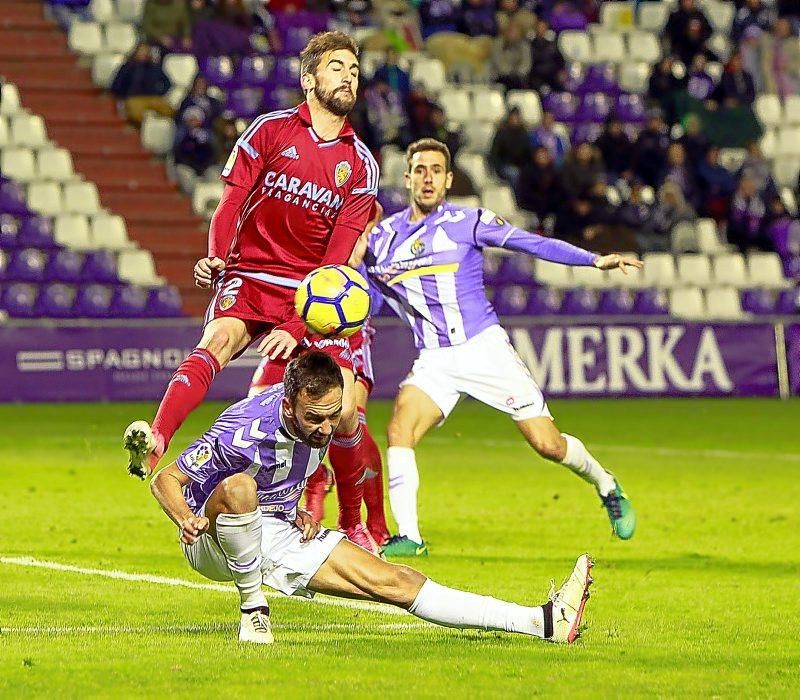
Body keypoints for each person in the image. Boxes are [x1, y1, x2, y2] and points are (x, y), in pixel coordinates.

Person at [124, 31, 381, 553]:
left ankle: (354, 524)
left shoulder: (360, 166)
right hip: (252, 272)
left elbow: (334, 264)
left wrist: (294, 325)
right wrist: (217, 257)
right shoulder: (269, 131)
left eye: (354, 69)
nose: (348, 76)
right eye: (337, 68)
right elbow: (230, 203)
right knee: (217, 341)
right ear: (309, 79)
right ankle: (156, 443)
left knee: (346, 411)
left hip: (312, 293)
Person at [150, 351, 594, 644]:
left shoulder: (330, 417)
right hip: (213, 540)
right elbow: (165, 479)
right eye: (314, 418)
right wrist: (186, 518)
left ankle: (542, 623)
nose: (326, 428)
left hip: (276, 531)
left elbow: (292, 471)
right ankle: (253, 610)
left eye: (331, 415)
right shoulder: (242, 429)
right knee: (241, 488)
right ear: (288, 406)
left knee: (394, 582)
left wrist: (296, 509)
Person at [353, 138, 640, 557]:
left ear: (449, 179)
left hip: (484, 349)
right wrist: (355, 259)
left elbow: (530, 242)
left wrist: (593, 260)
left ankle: (606, 483)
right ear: (407, 177)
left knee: (548, 445)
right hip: (435, 359)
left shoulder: (467, 221)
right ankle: (411, 537)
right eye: (420, 170)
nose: (427, 177)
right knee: (400, 428)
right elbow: (367, 303)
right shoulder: (383, 239)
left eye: (436, 170)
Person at [247, 319, 391, 547]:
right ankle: (314, 477)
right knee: (257, 407)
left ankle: (361, 523)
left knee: (346, 415)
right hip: (292, 327)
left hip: (341, 326)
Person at [109, 42, 173, 126]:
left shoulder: (155, 67)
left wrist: (160, 92)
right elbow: (117, 84)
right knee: (136, 114)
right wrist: (124, 97)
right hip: (134, 98)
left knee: (170, 111)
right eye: (141, 51)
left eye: (146, 51)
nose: (144, 53)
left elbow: (167, 83)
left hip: (154, 97)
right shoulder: (127, 67)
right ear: (136, 52)